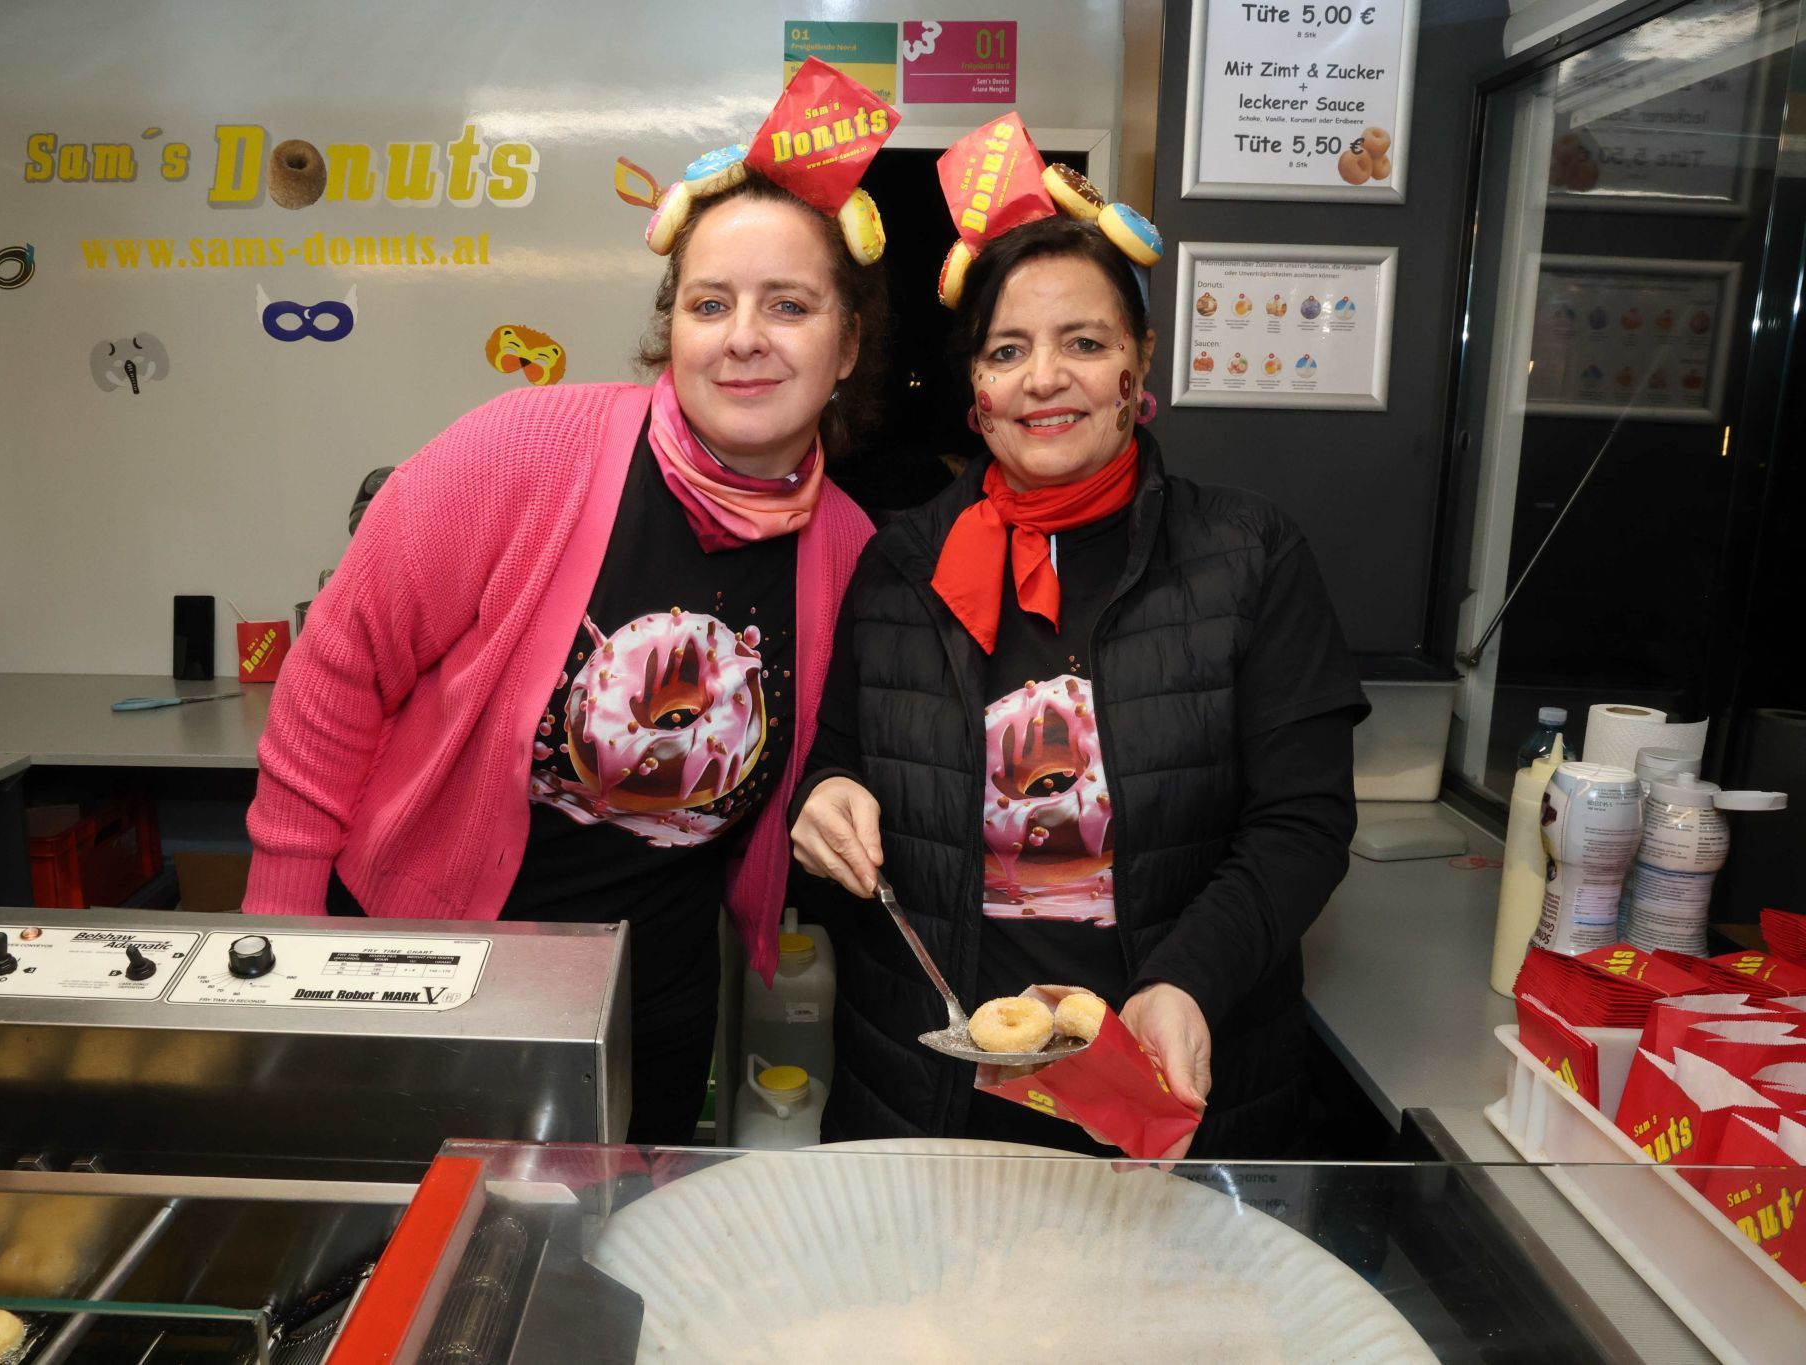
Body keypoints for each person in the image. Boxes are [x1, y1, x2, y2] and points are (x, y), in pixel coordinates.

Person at [243, 68, 898, 1145]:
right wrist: (280, 937)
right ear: (672, 327)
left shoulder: (851, 552)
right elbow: (337, 667)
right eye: (709, 304)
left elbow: (834, 757)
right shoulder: (526, 448)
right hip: (429, 964)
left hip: (653, 1000)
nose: (743, 336)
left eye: (788, 305)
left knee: (613, 1243)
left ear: (848, 345)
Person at [790, 118, 1367, 1158]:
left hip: (1167, 1080)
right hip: (932, 1096)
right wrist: (825, 801)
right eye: (1007, 351)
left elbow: (1301, 822)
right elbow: (836, 765)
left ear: (1137, 365)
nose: (1043, 378)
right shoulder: (900, 567)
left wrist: (1185, 981)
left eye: (1084, 343)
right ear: (975, 391)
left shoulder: (1248, 556)